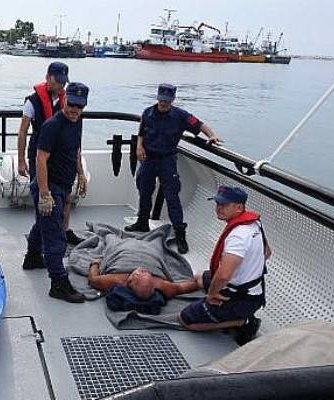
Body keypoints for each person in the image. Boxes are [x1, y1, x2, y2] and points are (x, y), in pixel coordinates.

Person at [125, 83, 222, 254]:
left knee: (172, 197)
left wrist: (211, 135)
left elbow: (199, 125)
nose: (164, 104)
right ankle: (142, 222)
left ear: (173, 100)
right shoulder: (148, 112)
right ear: (157, 98)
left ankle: (179, 233)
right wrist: (139, 146)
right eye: (162, 100)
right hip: (148, 159)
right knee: (144, 191)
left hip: (167, 161)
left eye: (167, 101)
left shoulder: (181, 116)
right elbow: (141, 132)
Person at [178, 186, 270, 345]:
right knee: (199, 277)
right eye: (218, 204)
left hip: (241, 298)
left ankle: (243, 322)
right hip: (253, 291)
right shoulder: (255, 224)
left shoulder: (238, 236)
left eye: (224, 205)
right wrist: (248, 270)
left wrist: (212, 294)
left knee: (185, 319)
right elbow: (267, 252)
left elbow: (224, 275)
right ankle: (176, 289)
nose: (218, 208)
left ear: (239, 207)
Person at [25, 82, 89, 303]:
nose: (74, 110)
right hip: (49, 185)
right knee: (55, 237)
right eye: (71, 104)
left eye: (79, 106)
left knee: (44, 223)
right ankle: (58, 283)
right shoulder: (53, 125)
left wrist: (80, 174)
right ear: (64, 100)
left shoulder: (77, 121)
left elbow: (76, 149)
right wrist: (44, 194)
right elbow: (40, 158)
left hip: (64, 184)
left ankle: (32, 257)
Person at [17, 61, 85, 260]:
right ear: (48, 77)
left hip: (62, 155)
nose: (61, 86)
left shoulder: (69, 102)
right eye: (58, 81)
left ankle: (63, 230)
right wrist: (21, 161)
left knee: (65, 198)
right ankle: (48, 242)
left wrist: (80, 172)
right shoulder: (32, 101)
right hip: (40, 152)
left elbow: (75, 141)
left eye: (64, 82)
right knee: (45, 200)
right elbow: (22, 132)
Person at [87, 260, 198, 300]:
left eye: (143, 272)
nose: (140, 269)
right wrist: (197, 282)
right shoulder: (165, 286)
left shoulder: (115, 280)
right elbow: (183, 287)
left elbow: (93, 279)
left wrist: (95, 263)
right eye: (142, 272)